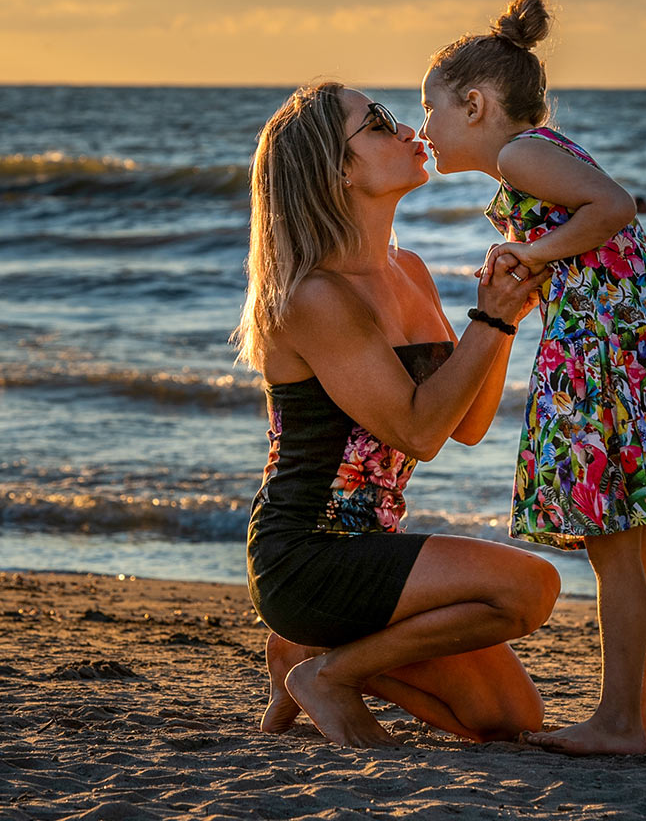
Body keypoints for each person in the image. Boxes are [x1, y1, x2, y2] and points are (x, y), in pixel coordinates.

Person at [419, 0, 646, 756]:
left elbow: (615, 208)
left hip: (608, 356)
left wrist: (535, 254)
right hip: (640, 352)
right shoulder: (539, 153)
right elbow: (599, 225)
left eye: (429, 109)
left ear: (474, 103)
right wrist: (533, 264)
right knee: (637, 550)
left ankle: (623, 722)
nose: (422, 128)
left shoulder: (520, 154)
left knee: (615, 547)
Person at [232, 82, 561, 748]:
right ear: (338, 169)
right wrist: (489, 319)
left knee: (509, 718)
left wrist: (507, 316)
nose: (410, 130)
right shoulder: (315, 296)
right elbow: (417, 431)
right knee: (529, 588)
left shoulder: (407, 268)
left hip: (371, 552)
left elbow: (464, 424)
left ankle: (303, 657)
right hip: (307, 555)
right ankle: (331, 672)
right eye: (377, 124)